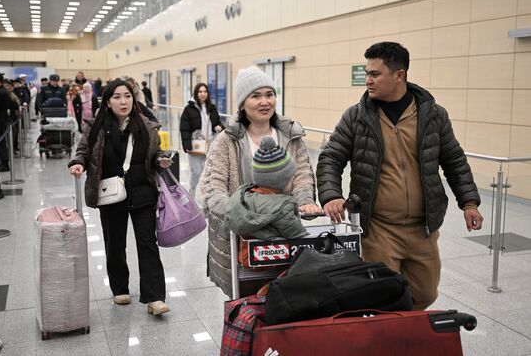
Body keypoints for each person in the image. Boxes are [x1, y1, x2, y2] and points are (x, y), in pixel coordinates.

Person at [316, 41, 484, 310]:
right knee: (382, 293)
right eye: (367, 74)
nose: (368, 80)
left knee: (425, 293)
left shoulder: (433, 116)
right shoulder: (357, 117)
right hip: (378, 228)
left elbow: (454, 160)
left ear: (399, 76)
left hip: (423, 229)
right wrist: (332, 195)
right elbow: (331, 157)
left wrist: (470, 203)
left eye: (375, 74)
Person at [200, 66, 321, 297]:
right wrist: (241, 215)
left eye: (269, 94)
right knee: (246, 302)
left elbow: (303, 175)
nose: (264, 101)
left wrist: (305, 200)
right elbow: (213, 186)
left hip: (284, 235)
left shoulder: (290, 135)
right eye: (255, 96)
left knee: (286, 300)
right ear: (242, 104)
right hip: (241, 239)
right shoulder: (227, 141)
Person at [68, 79, 172, 316]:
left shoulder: (145, 125)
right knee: (115, 244)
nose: (123, 101)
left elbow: (154, 153)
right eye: (116, 96)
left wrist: (160, 159)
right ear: (107, 101)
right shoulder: (96, 126)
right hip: (110, 194)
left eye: (127, 95)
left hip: (142, 191)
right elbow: (83, 151)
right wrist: (77, 163)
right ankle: (120, 287)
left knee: (147, 244)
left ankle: (154, 297)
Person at [225, 136, 310, 240]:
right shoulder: (283, 207)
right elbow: (300, 238)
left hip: (245, 254)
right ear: (282, 181)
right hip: (277, 255)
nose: (293, 180)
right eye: (291, 177)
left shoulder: (243, 197)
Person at [180, 82, 224, 195]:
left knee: (209, 172)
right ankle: (192, 193)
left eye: (205, 91)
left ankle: (206, 196)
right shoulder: (189, 109)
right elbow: (184, 128)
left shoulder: (212, 108)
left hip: (210, 144)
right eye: (200, 91)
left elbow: (217, 122)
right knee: (197, 172)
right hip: (196, 145)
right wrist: (187, 146)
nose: (203, 94)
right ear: (196, 93)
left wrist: (219, 127)